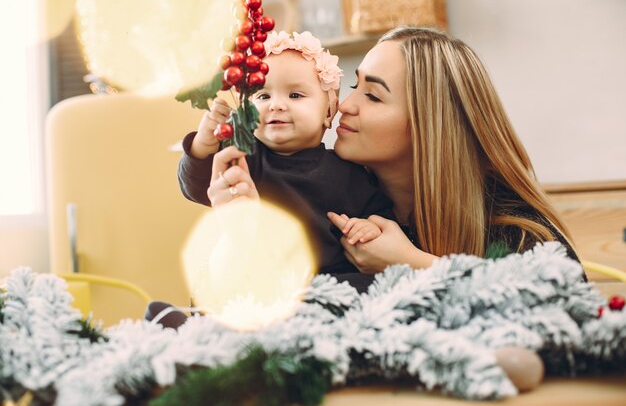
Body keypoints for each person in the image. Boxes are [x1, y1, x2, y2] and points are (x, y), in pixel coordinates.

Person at [203, 26, 584, 278]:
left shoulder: (514, 230)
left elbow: (565, 309)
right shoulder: (333, 197)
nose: (346, 106)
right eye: (354, 86)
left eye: (373, 95)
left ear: (431, 125)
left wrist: (414, 264)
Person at [178, 31, 394, 289]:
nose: (276, 105)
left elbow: (381, 216)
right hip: (263, 281)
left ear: (329, 111)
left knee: (370, 285)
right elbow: (198, 186)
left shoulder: (350, 172)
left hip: (331, 281)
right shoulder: (245, 158)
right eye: (263, 96)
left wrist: (368, 228)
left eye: (295, 96)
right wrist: (204, 144)